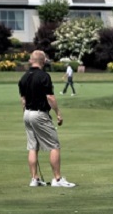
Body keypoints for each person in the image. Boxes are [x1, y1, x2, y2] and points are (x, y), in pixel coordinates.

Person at [18, 50, 76, 188]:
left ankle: (34, 179)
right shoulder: (44, 76)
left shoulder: (24, 77)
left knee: (32, 147)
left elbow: (23, 100)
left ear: (31, 60)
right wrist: (58, 114)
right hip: (39, 114)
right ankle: (57, 179)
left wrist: (26, 115)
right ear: (43, 61)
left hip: (27, 114)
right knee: (54, 145)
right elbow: (50, 97)